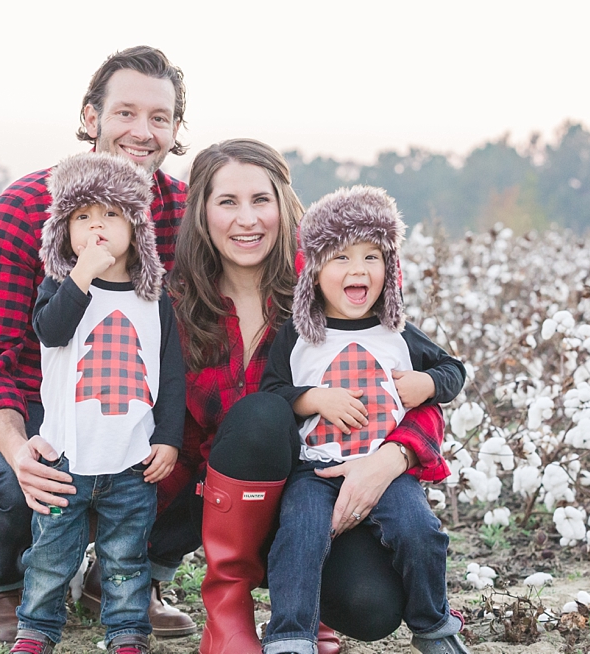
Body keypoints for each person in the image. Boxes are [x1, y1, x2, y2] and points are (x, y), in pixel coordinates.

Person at [150, 139, 455, 654]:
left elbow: (408, 389)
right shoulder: (173, 305)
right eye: (227, 202)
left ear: (284, 206)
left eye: (260, 200)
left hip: (321, 486)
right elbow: (164, 432)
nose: (246, 219)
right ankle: (229, 609)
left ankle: (308, 605)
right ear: (201, 211)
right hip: (221, 504)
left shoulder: (329, 285)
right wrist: (148, 548)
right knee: (264, 414)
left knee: (372, 607)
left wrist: (392, 457)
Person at [0, 46, 196, 642]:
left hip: (125, 395)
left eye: (159, 117)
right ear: (90, 118)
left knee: (198, 449)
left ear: (176, 130)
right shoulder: (29, 204)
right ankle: (4, 583)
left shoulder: (181, 213)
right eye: (125, 112)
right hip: (27, 395)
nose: (142, 131)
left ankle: (125, 578)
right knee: (22, 481)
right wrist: (17, 446)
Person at [259, 185, 469, 654]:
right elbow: (272, 393)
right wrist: (315, 399)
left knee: (421, 531)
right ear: (314, 271)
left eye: (372, 256)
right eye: (340, 258)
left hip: (386, 471)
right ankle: (291, 636)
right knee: (300, 537)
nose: (358, 269)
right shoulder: (298, 334)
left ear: (389, 269)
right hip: (314, 470)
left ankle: (433, 625)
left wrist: (427, 385)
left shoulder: (396, 333)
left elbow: (454, 370)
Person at [10, 152, 185, 654]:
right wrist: (80, 276)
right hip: (65, 456)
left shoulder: (154, 299)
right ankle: (37, 630)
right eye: (81, 218)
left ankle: (127, 632)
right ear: (63, 231)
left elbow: (170, 376)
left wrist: (169, 438)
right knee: (50, 553)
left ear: (136, 226)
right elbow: (51, 330)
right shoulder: (60, 289)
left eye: (110, 215)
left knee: (126, 555)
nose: (96, 227)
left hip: (131, 459)